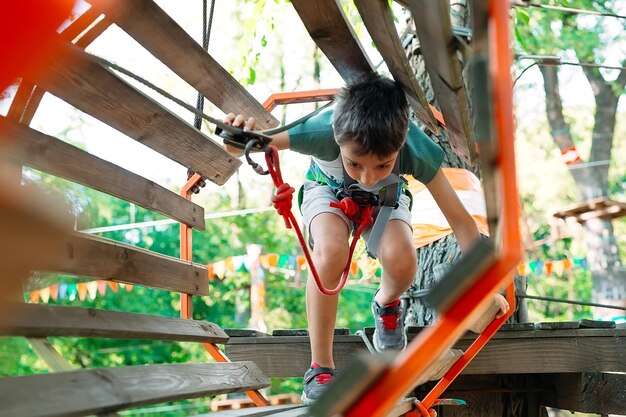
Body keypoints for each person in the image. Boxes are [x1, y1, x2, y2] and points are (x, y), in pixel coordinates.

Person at [223, 73, 509, 404]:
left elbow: (459, 219)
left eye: (383, 164)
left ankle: (387, 305)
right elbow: (253, 142)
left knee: (403, 262)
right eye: (354, 163)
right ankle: (320, 367)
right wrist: (235, 135)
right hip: (328, 192)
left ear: (401, 144)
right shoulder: (320, 129)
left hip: (386, 200)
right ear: (337, 138)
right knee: (330, 254)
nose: (367, 175)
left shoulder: (416, 148)